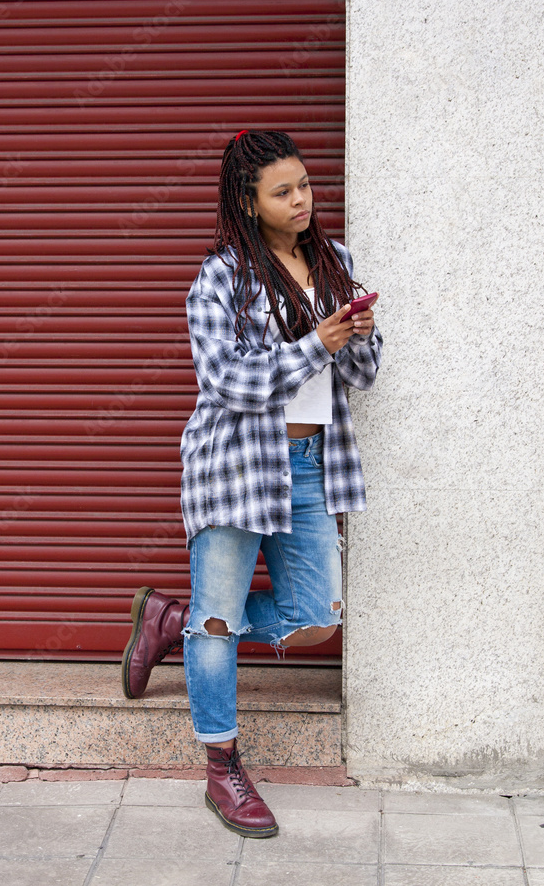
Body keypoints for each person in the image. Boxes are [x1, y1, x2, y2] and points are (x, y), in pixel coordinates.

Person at [121, 129, 382, 838]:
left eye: (304, 185)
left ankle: (175, 623)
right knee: (220, 619)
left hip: (308, 465)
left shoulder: (336, 264)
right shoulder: (220, 277)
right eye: (283, 191)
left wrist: (357, 338)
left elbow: (360, 376)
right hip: (233, 464)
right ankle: (222, 769)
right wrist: (313, 346)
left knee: (316, 616)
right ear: (249, 200)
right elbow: (226, 382)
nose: (301, 200)